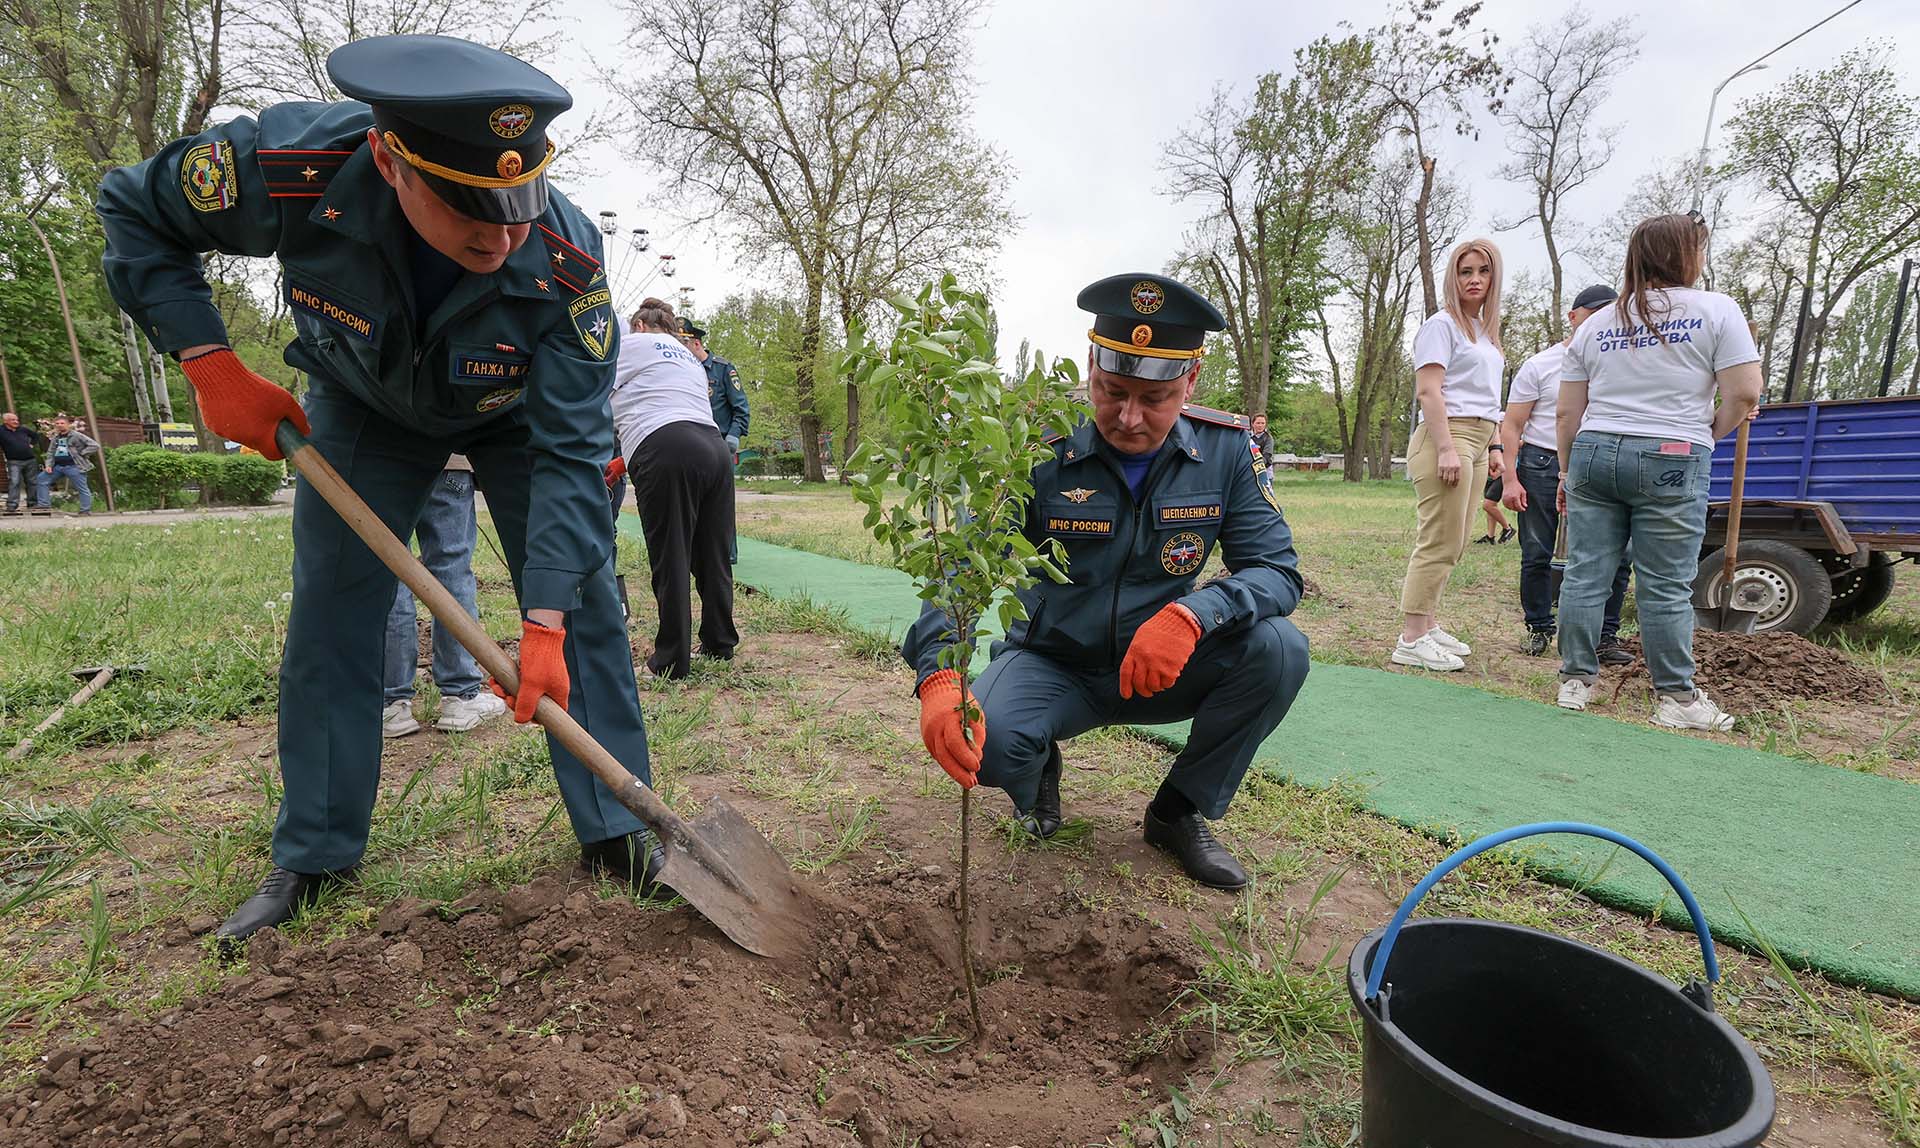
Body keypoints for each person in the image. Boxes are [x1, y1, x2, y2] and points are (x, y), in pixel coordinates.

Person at [97, 34, 667, 946]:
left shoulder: (565, 258)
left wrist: (547, 619)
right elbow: (133, 209)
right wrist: (206, 360)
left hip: (515, 415)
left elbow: (569, 453)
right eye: (469, 208)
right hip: (363, 402)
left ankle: (618, 829)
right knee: (335, 610)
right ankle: (317, 853)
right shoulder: (285, 168)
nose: (501, 235)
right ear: (389, 160)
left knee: (585, 603)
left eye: (515, 208)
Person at [903, 273, 1309, 891]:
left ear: (1191, 381)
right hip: (1053, 662)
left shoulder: (1227, 452)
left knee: (1280, 650)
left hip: (1160, 665)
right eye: (1111, 390)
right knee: (989, 743)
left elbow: (1277, 571)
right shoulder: (1033, 445)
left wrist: (1195, 614)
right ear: (1091, 362)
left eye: (1157, 398)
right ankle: (1038, 766)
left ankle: (1178, 812)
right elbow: (957, 564)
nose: (1129, 417)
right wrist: (936, 675)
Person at [1555, 213, 1763, 730]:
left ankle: (1575, 681)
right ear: (1689, 256)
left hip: (1595, 449)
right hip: (1673, 451)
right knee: (1665, 583)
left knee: (1585, 573)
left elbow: (1565, 412)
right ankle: (1677, 697)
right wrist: (1706, 435)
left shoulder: (1597, 323)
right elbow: (1745, 393)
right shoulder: (1716, 310)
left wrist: (1566, 472)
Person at [1500, 284, 1634, 660]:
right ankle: (1539, 626)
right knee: (1537, 551)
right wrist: (1510, 477)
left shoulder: (1624, 362)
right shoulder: (1541, 365)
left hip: (1602, 461)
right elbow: (1512, 425)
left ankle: (1604, 636)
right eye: (1593, 314)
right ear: (1574, 317)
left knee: (1617, 556)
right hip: (1542, 463)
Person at [610, 298, 738, 679]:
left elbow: (594, 393)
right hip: (712, 447)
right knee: (711, 553)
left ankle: (670, 661)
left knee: (671, 554)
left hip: (664, 445)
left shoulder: (628, 344)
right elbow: (672, 403)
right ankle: (719, 642)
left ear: (639, 324)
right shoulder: (690, 359)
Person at [1394, 238, 1505, 672]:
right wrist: (1446, 448)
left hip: (1479, 438)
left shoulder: (1485, 332)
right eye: (1465, 272)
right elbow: (1429, 390)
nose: (1474, 279)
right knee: (1438, 539)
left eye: (1482, 271)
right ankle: (1411, 637)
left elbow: (1489, 396)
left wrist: (1494, 445)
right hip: (1447, 435)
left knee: (1457, 541)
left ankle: (1429, 624)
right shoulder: (1442, 325)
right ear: (1452, 279)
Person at [381, 455, 510, 736]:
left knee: (390, 567)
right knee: (451, 567)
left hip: (383, 456)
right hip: (447, 459)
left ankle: (392, 703)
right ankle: (460, 696)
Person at [680, 317, 748, 564]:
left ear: (696, 343)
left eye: (683, 343)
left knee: (721, 502)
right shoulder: (682, 370)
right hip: (691, 443)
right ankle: (696, 552)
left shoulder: (722, 369)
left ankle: (727, 553)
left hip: (719, 444)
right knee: (692, 501)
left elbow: (741, 408)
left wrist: (733, 437)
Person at [36, 416, 101, 515]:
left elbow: (95, 445)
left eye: (62, 423)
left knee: (82, 487)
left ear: (67, 424)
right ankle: (44, 506)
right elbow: (50, 452)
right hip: (58, 466)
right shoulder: (55, 438)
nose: (59, 425)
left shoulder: (76, 435)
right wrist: (48, 465)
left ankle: (85, 510)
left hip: (74, 466)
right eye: (57, 424)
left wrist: (82, 453)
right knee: (42, 479)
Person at [1474, 415, 1513, 544]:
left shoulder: (1509, 436)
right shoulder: (1490, 435)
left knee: (1488, 505)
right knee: (1491, 505)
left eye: (1501, 422)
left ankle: (1508, 528)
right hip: (1490, 473)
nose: (1499, 424)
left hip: (1503, 473)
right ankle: (1490, 536)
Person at [1, 413, 46, 516]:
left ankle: (33, 504)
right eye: (13, 420)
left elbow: (35, 436)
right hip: (14, 461)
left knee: (32, 482)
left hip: (30, 460)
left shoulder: (23, 429)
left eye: (16, 420)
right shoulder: (1, 431)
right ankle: (12, 506)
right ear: (6, 421)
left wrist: (31, 444)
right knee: (15, 482)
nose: (16, 422)